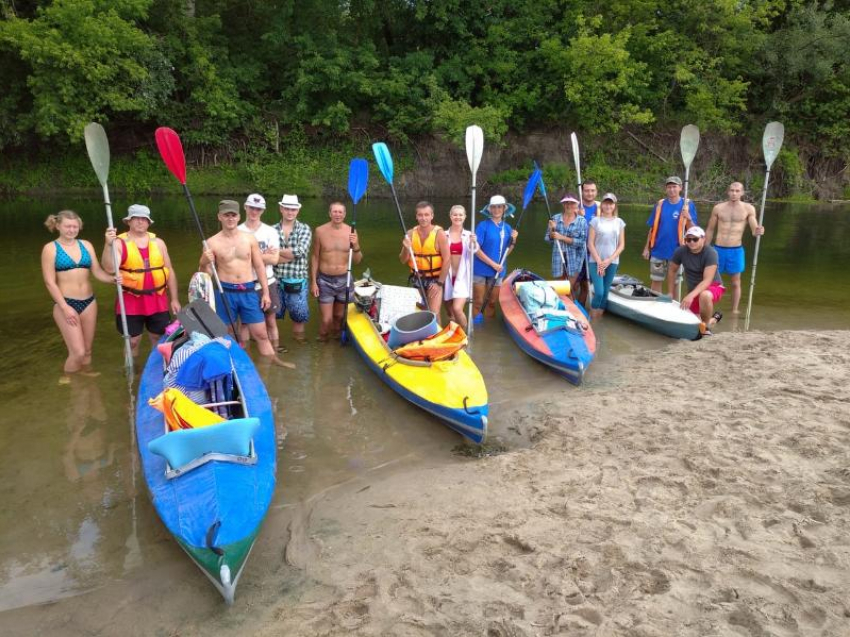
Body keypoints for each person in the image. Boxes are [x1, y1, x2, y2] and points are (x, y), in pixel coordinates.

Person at [200, 200, 286, 363]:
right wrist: (204, 261)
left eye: (233, 215)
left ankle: (274, 361)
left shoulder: (249, 239)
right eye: (226, 215)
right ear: (220, 217)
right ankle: (234, 364)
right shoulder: (211, 243)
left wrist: (266, 293)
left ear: (239, 216)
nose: (230, 218)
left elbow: (260, 266)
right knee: (228, 334)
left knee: (261, 333)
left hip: (248, 290)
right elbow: (204, 276)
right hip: (224, 292)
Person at [41, 210, 116, 382]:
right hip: (65, 303)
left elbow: (97, 272)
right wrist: (65, 307)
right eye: (67, 226)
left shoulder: (86, 245)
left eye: (75, 226)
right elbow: (49, 282)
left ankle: (86, 375)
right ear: (58, 225)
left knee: (88, 350)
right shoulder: (50, 249)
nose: (71, 229)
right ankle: (68, 377)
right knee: (78, 352)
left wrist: (113, 279)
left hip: (89, 302)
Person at [103, 204, 181, 355]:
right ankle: (133, 371)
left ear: (148, 222)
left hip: (157, 299)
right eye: (136, 218)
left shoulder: (159, 243)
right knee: (132, 341)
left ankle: (157, 370)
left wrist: (174, 299)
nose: (140, 222)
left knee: (159, 337)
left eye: (144, 219)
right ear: (129, 221)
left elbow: (169, 271)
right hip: (130, 300)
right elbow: (110, 268)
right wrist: (108, 245)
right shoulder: (119, 243)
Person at [704, 181, 765, 314]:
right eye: (732, 190)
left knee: (735, 282)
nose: (734, 193)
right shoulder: (718, 208)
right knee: (710, 281)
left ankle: (734, 310)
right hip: (718, 249)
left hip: (736, 250)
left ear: (742, 193)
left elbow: (754, 229)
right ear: (728, 191)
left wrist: (758, 231)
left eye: (737, 191)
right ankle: (708, 308)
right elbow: (710, 230)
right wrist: (705, 249)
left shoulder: (748, 208)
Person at [311, 201, 362, 341]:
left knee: (339, 317)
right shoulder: (320, 231)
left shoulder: (351, 231)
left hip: (344, 279)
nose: (337, 214)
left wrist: (356, 244)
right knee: (326, 320)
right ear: (329, 213)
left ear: (345, 214)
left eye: (340, 212)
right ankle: (322, 344)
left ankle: (335, 344)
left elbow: (357, 260)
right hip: (324, 280)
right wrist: (313, 282)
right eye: (335, 211)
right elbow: (315, 257)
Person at [237, 194, 282, 348]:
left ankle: (274, 351)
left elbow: (275, 259)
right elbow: (235, 260)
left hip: (267, 282)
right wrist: (264, 256)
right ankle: (248, 356)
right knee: (244, 323)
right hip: (245, 284)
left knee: (270, 320)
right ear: (245, 207)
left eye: (258, 209)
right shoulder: (237, 231)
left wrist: (249, 257)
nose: (254, 212)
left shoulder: (270, 232)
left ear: (262, 211)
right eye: (251, 208)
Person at [642, 176, 698, 297]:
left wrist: (689, 217)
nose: (672, 189)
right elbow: (652, 228)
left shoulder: (687, 205)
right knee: (656, 279)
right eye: (669, 187)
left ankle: (675, 307)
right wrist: (647, 248)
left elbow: (694, 230)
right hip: (658, 250)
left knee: (676, 282)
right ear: (666, 189)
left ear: (680, 188)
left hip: (678, 251)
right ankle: (655, 305)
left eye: (674, 187)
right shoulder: (660, 204)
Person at [667, 226, 724, 335]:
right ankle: (714, 319)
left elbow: (707, 280)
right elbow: (672, 270)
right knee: (692, 321)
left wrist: (690, 296)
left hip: (713, 286)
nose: (691, 242)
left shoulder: (711, 253)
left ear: (703, 239)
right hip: (694, 290)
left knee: (705, 295)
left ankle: (706, 328)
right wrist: (670, 292)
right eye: (688, 239)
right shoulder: (681, 251)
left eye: (695, 239)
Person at [400, 201, 450, 316]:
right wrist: (406, 247)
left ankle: (438, 333)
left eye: (426, 215)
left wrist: (439, 283)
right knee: (420, 313)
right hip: (416, 278)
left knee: (434, 313)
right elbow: (403, 260)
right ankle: (422, 333)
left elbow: (447, 260)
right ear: (416, 216)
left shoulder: (440, 234)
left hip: (435, 279)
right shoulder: (410, 234)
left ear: (432, 216)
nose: (423, 218)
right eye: (420, 215)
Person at [273, 194, 312, 343]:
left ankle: (298, 342)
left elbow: (300, 251)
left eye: (293, 209)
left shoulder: (304, 229)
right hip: (275, 280)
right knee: (273, 315)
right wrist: (288, 254)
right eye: (287, 209)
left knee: (298, 316)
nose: (290, 212)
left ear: (298, 211)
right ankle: (275, 346)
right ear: (281, 209)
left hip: (297, 280)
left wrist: (275, 253)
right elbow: (266, 254)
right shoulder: (271, 230)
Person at [472, 195, 518, 318]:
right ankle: (477, 330)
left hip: (498, 271)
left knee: (492, 302)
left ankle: (488, 327)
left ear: (504, 209)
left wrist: (513, 240)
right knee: (478, 301)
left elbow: (506, 252)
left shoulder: (507, 228)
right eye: (494, 207)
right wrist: (493, 264)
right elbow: (476, 250)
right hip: (480, 269)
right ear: (489, 209)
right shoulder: (483, 226)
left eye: (499, 207)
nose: (496, 210)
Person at [587, 193, 626, 319]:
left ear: (614, 206)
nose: (608, 206)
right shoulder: (595, 221)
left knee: (605, 293)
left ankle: (598, 320)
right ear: (602, 205)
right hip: (595, 261)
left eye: (611, 203)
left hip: (612, 262)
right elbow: (590, 244)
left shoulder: (619, 222)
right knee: (599, 292)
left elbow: (621, 245)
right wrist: (599, 261)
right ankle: (592, 318)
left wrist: (609, 260)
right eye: (606, 203)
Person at [545, 193, 587, 297]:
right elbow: (547, 239)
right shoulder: (555, 219)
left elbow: (581, 242)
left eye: (572, 203)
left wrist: (562, 237)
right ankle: (561, 308)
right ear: (563, 204)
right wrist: (551, 230)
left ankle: (572, 309)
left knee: (567, 289)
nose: (569, 205)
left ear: (576, 204)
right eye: (566, 203)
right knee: (560, 290)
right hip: (558, 257)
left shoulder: (582, 221)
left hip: (575, 258)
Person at [442, 205, 477, 329]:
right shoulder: (443, 234)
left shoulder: (469, 235)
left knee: (457, 309)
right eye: (455, 214)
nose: (458, 217)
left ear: (465, 217)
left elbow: (473, 250)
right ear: (450, 216)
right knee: (450, 312)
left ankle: (466, 334)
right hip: (446, 277)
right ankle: (453, 333)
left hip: (462, 277)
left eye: (460, 214)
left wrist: (474, 242)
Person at [575, 180, 600, 305]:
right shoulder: (576, 207)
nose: (589, 193)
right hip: (577, 251)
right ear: (582, 192)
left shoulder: (601, 207)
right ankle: (570, 308)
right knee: (573, 283)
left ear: (596, 192)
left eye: (592, 190)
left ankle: (581, 310)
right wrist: (578, 217)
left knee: (585, 284)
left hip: (592, 253)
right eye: (587, 190)